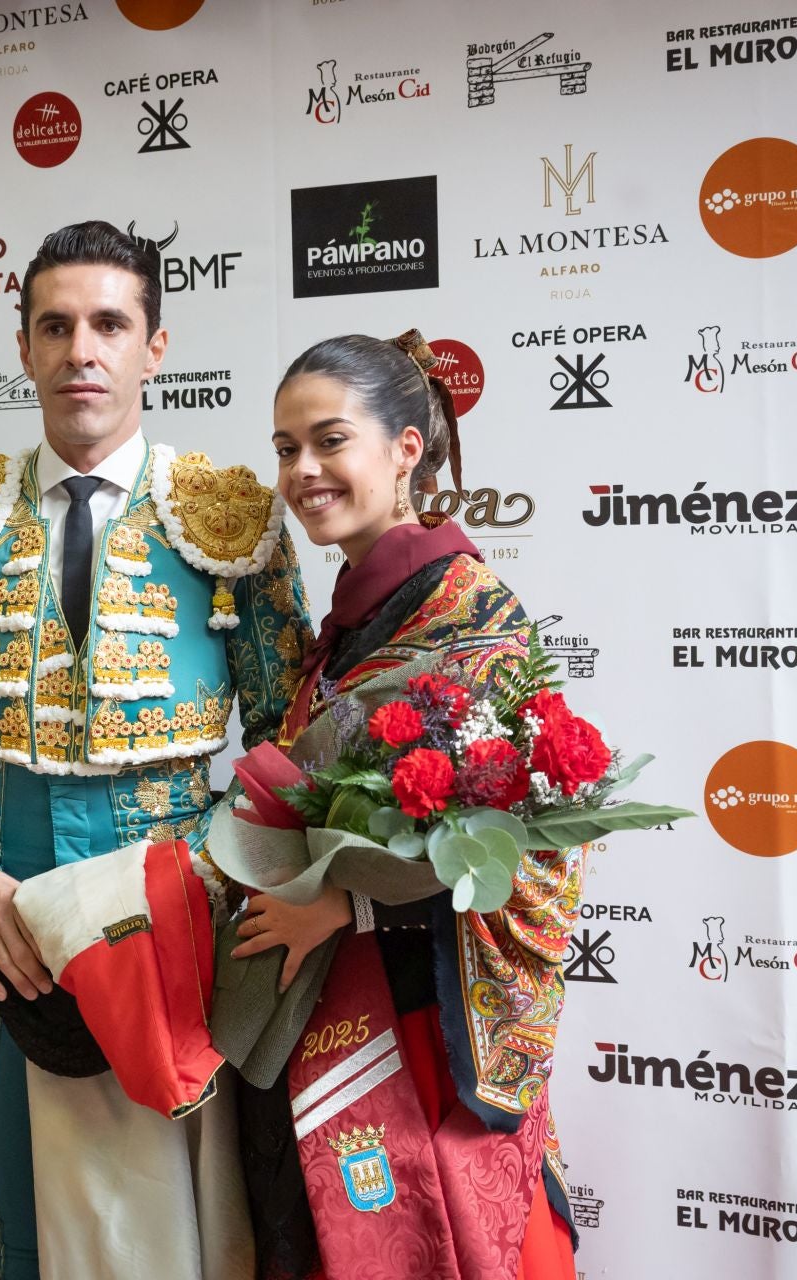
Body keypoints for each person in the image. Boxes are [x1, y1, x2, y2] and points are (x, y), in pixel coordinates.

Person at [0, 221, 313, 1279]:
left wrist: (203, 877)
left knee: (187, 1219)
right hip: (7, 913)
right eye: (56, 326)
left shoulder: (231, 514)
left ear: (154, 347)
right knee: (20, 1202)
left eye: (110, 324)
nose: (82, 350)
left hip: (176, 919)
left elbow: (290, 736)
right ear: (22, 346)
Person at [230, 333, 579, 1280]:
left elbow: (537, 848)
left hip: (423, 1035)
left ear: (407, 450)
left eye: (329, 441)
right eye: (285, 447)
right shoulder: (346, 620)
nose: (303, 471)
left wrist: (350, 903)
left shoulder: (472, 615)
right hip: (324, 1014)